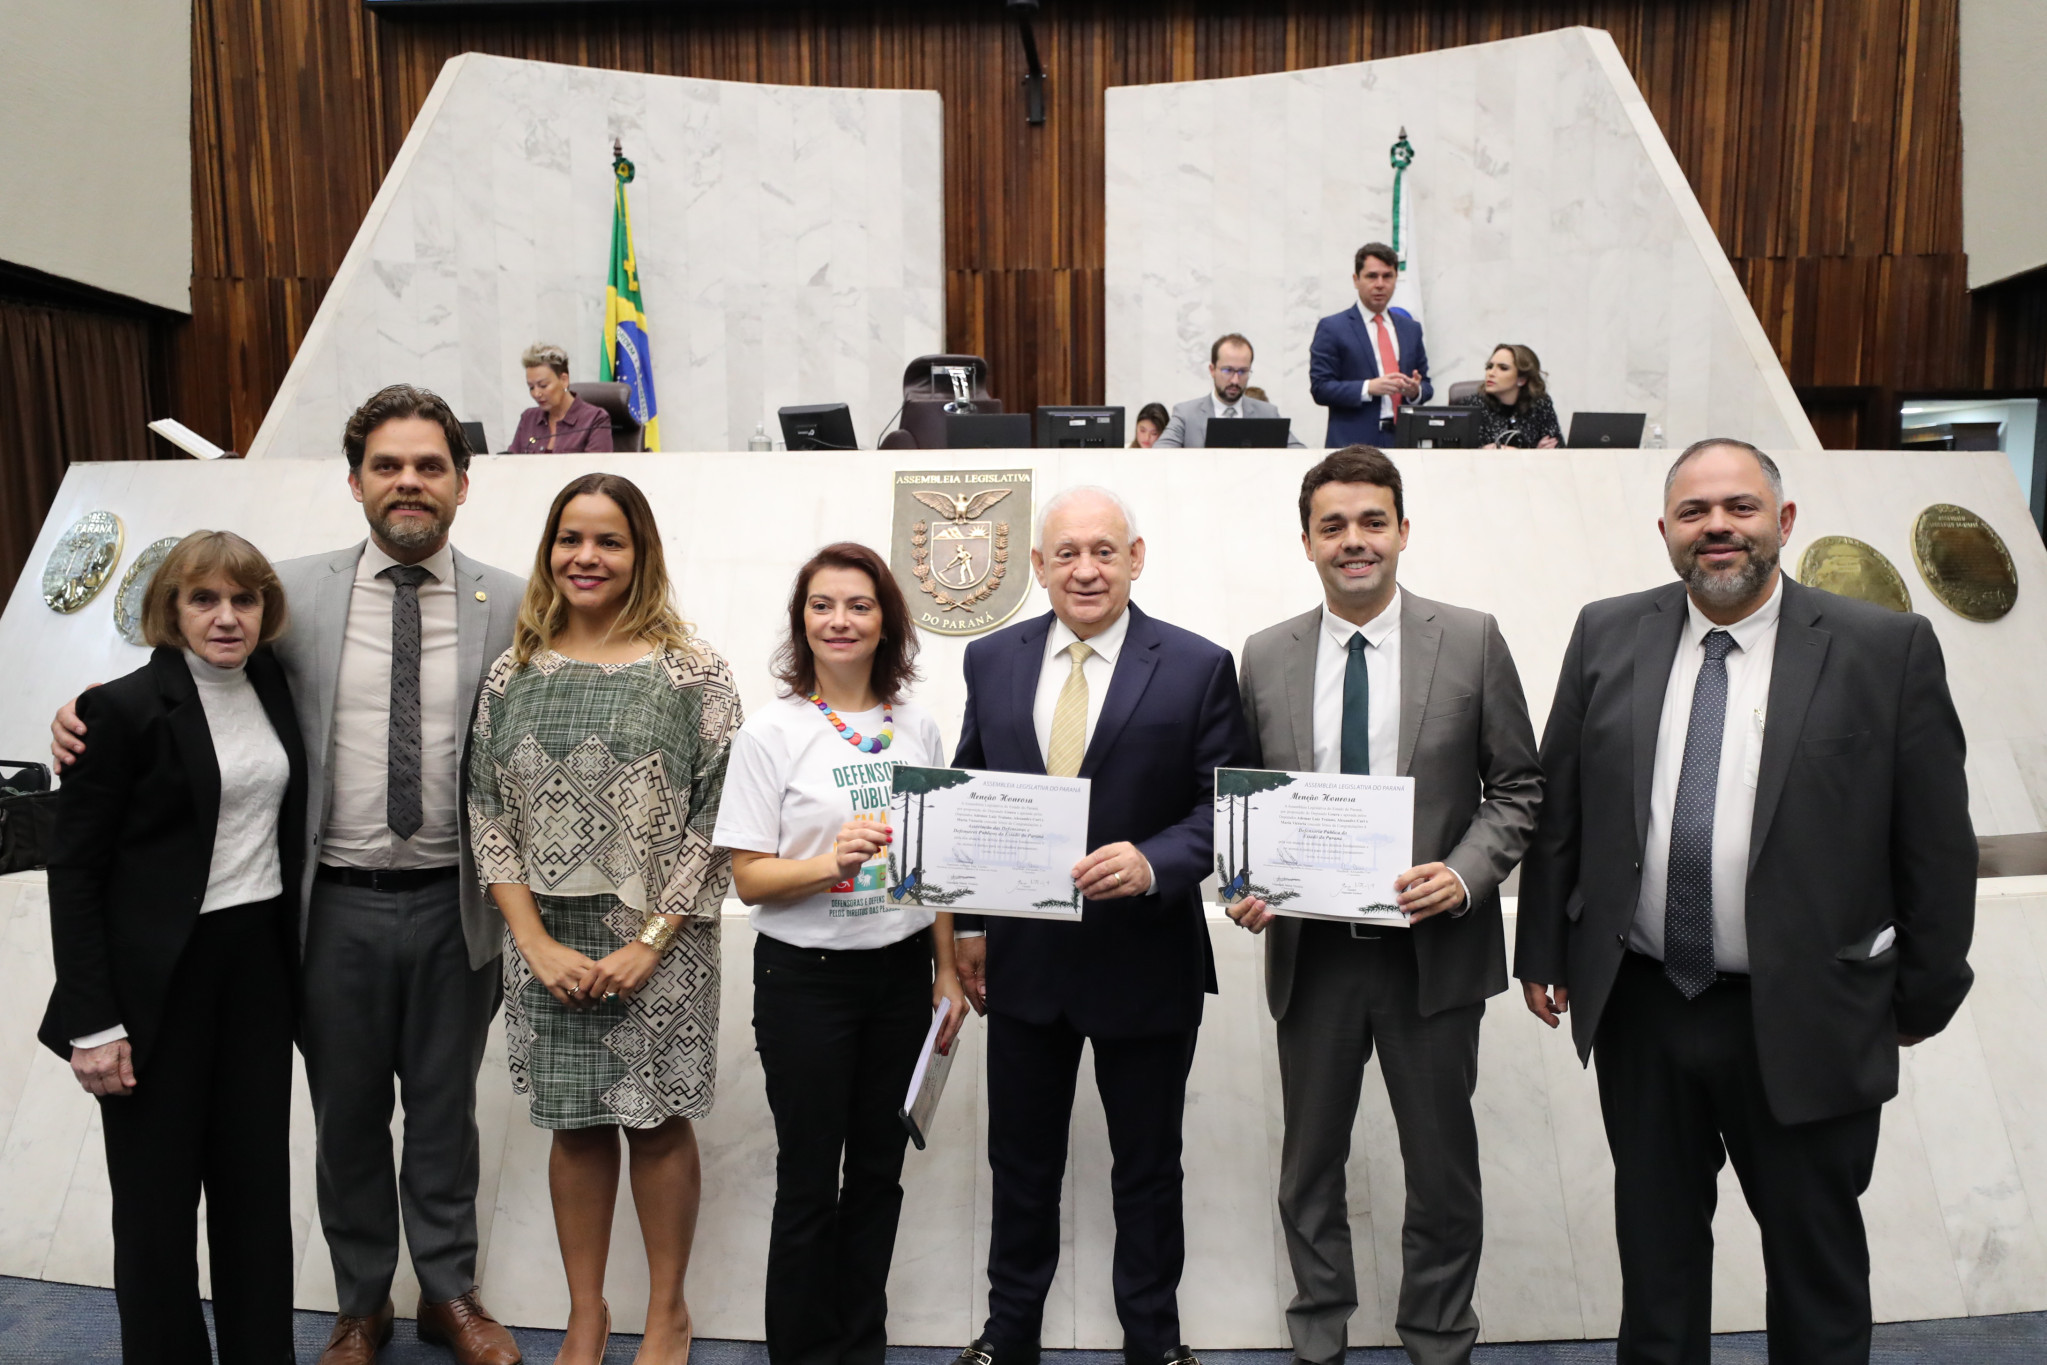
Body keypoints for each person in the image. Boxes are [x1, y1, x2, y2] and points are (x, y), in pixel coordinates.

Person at [52, 384, 527, 1365]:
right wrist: (81, 715)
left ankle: (449, 1291)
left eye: (428, 466)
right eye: (387, 465)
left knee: (445, 1115)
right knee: (344, 1117)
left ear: (463, 485)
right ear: (354, 481)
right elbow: (188, 679)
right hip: (328, 911)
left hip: (455, 905)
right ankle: (362, 1304)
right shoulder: (291, 597)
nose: (408, 483)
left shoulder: (514, 603)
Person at [1514, 439, 1977, 1364]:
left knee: (1815, 1271)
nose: (1716, 528)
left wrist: (1920, 995)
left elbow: (1933, 843)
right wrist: (1542, 952)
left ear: (1783, 522)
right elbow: (1561, 806)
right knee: (1655, 1263)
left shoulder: (1883, 648)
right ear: (1664, 532)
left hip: (1808, 1012)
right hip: (1645, 1005)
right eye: (1692, 513)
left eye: (1738, 507)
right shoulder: (1605, 633)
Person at [1223, 449, 1542, 1365]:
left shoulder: (1472, 637)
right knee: (1308, 1167)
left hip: (1430, 954)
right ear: (1306, 542)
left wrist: (1465, 872)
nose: (1353, 541)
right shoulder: (1265, 654)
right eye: (1333, 526)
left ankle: (1438, 1337)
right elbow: (1246, 798)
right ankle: (1317, 1334)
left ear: (1402, 530)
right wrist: (1244, 881)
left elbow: (1518, 785)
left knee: (1441, 1172)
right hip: (1313, 955)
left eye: (1371, 521)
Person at [946, 486, 1254, 1365]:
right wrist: (966, 924)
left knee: (1148, 1171)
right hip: (1024, 961)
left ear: (1136, 557)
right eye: (1067, 553)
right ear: (1038, 566)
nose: (1086, 568)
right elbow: (969, 795)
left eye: (1105, 550)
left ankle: (1153, 1344)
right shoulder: (991, 659)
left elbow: (1220, 802)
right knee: (1020, 1165)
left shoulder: (1197, 665)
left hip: (1145, 960)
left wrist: (1154, 861)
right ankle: (1008, 1339)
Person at [469, 472, 741, 1365]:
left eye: (609, 541)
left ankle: (667, 1313)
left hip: (662, 948)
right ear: (550, 551)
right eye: (570, 539)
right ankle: (586, 1315)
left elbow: (720, 818)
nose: (586, 556)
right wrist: (536, 942)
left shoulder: (692, 672)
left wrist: (649, 941)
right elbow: (486, 816)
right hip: (545, 947)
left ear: (640, 553)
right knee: (573, 1122)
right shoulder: (512, 672)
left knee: (656, 1121)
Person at [39, 531, 306, 1365]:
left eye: (244, 599)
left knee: (255, 1196)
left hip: (258, 967)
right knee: (156, 1211)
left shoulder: (273, 680)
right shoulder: (113, 711)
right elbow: (73, 872)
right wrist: (92, 1020)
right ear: (171, 607)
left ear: (266, 610)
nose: (226, 617)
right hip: (157, 983)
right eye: (204, 599)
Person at [711, 542, 969, 1365]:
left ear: (886, 619)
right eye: (822, 605)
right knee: (808, 1183)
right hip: (805, 984)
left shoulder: (915, 723)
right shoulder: (770, 730)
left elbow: (930, 868)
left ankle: (861, 1349)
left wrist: (946, 970)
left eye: (858, 605)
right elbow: (748, 879)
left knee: (880, 1179)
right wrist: (832, 861)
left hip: (898, 979)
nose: (840, 620)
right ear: (801, 621)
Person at [1309, 243, 1431, 447]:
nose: (1380, 284)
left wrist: (1414, 392)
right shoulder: (1333, 327)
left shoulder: (1411, 329)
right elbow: (1321, 388)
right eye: (1372, 276)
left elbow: (1426, 384)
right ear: (1356, 280)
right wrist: (1369, 387)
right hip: (1352, 444)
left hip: (1403, 441)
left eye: (1388, 276)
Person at [1153, 334, 1306, 448]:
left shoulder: (1268, 413)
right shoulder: (1186, 414)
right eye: (1228, 370)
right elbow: (1161, 453)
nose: (1235, 380)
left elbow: (1298, 453)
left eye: (1242, 372)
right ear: (1212, 370)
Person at [511, 342, 615, 454]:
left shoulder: (595, 419)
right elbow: (510, 463)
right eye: (531, 387)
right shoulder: (528, 418)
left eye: (543, 386)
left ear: (564, 380)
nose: (536, 393)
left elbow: (596, 469)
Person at [1457, 345, 1561, 449]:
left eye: (1503, 368)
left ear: (1522, 379)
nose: (1491, 373)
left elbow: (1557, 447)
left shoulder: (1539, 404)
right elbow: (1455, 452)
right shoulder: (1472, 406)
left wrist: (1537, 454)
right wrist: (1482, 450)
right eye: (1489, 367)